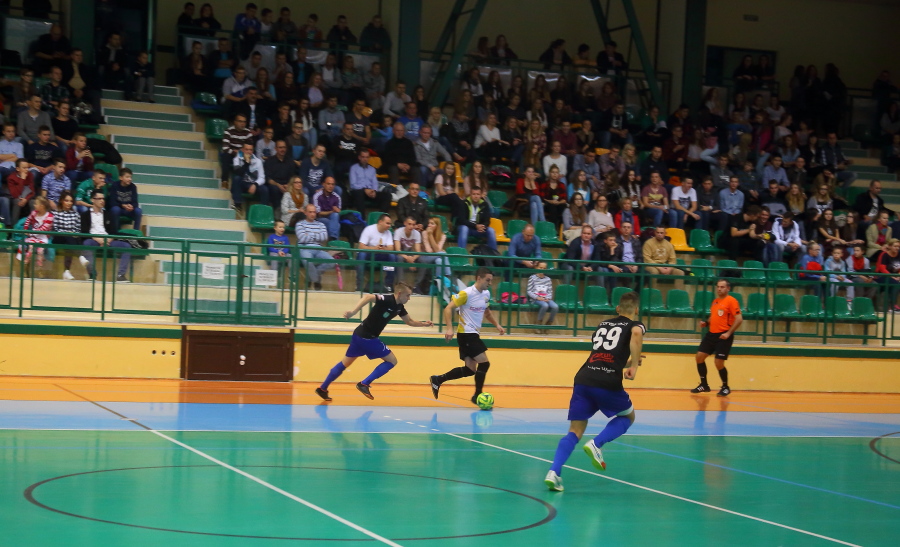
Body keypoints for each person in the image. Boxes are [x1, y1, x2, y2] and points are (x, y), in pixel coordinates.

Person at [544, 291, 644, 491]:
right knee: (628, 416)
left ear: (617, 308)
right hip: (607, 380)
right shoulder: (635, 325)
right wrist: (634, 366)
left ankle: (554, 472)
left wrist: (628, 362)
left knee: (575, 430)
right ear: (636, 310)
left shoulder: (603, 324)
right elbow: (636, 334)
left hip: (584, 378)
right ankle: (597, 444)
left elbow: (606, 354)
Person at [316, 282, 433, 401]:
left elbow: (410, 321)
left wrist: (424, 324)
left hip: (358, 335)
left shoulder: (399, 307)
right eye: (407, 295)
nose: (409, 298)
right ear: (399, 293)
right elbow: (368, 297)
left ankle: (322, 388)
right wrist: (353, 312)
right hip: (368, 338)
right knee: (392, 361)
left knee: (344, 364)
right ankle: (364, 383)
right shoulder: (387, 299)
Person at [431, 267, 505, 405]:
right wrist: (449, 329)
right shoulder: (466, 293)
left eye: (491, 281)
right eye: (487, 280)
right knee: (484, 363)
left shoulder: (486, 294)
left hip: (473, 334)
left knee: (470, 370)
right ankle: (477, 395)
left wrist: (497, 325)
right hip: (466, 334)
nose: (490, 283)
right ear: (479, 278)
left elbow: (487, 312)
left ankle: (438, 379)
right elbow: (448, 308)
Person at [691, 279, 741, 396]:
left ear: (728, 288)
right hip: (711, 334)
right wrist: (706, 323)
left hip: (723, 335)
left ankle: (725, 387)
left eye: (722, 287)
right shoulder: (715, 302)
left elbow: (739, 319)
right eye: (718, 287)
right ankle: (704, 385)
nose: (719, 289)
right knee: (699, 357)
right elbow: (714, 316)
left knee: (718, 362)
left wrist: (728, 333)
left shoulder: (732, 301)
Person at [79, 189, 132, 282]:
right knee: (86, 243)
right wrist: (98, 239)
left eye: (103, 199)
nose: (102, 201)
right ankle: (92, 274)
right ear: (92, 200)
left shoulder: (109, 214)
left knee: (126, 246)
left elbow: (113, 231)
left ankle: (121, 275)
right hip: (93, 239)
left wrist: (107, 240)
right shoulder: (85, 215)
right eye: (99, 198)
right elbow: (84, 232)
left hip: (108, 240)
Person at [295, 203, 336, 290]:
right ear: (305, 213)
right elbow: (302, 238)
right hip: (305, 248)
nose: (313, 214)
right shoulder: (300, 224)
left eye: (314, 212)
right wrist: (317, 235)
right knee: (307, 261)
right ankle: (316, 280)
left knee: (332, 262)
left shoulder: (321, 224)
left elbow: (324, 237)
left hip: (319, 248)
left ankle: (310, 277)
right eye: (310, 212)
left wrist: (309, 235)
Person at [356, 213, 398, 292]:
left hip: (381, 254)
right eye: (387, 223)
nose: (389, 226)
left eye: (390, 224)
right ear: (380, 222)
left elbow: (391, 248)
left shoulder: (388, 232)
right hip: (369, 254)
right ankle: (359, 285)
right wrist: (374, 248)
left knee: (392, 256)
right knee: (361, 255)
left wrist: (383, 249)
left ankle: (388, 284)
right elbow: (361, 246)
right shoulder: (369, 229)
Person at [349, 149, 391, 214]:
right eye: (363, 157)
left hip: (370, 192)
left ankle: (381, 216)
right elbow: (353, 185)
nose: (365, 159)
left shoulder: (372, 169)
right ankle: (362, 217)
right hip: (358, 191)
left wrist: (374, 190)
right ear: (359, 157)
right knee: (359, 193)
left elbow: (374, 182)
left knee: (387, 195)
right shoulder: (354, 168)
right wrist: (364, 190)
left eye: (367, 157)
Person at [231, 142, 268, 209]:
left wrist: (255, 184)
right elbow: (238, 173)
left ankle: (263, 210)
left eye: (250, 150)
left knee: (265, 189)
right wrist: (247, 163)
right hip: (242, 183)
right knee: (236, 178)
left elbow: (262, 177)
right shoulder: (236, 159)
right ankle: (237, 205)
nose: (249, 152)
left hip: (253, 184)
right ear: (242, 150)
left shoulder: (258, 161)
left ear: (253, 151)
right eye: (246, 149)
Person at [527, 262, 558, 333]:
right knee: (545, 305)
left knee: (555, 307)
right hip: (536, 299)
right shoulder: (532, 278)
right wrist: (537, 297)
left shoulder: (548, 279)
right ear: (536, 268)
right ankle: (538, 324)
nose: (542, 270)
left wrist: (548, 298)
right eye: (540, 268)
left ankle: (548, 324)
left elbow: (550, 291)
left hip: (546, 298)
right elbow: (529, 291)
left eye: (544, 268)